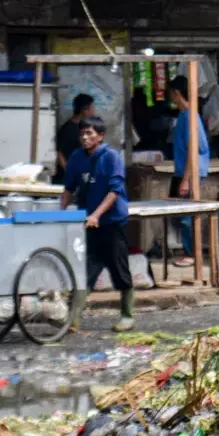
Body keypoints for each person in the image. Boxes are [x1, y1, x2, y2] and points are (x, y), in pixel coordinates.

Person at [60, 115, 134, 332]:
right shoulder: (76, 158)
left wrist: (97, 215)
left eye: (89, 133)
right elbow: (68, 189)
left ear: (100, 136)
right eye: (82, 133)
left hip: (112, 222)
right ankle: (73, 319)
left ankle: (127, 315)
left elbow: (114, 191)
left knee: (119, 268)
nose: (84, 137)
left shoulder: (111, 157)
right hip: (89, 224)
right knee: (86, 270)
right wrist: (59, 214)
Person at [167, 75, 209, 267]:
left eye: (171, 94)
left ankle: (192, 254)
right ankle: (189, 251)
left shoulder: (190, 116)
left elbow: (194, 149)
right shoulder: (185, 116)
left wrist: (186, 180)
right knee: (180, 214)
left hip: (190, 174)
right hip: (184, 172)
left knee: (186, 217)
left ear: (177, 93)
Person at [54, 94, 95, 184]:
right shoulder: (68, 129)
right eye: (92, 108)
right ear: (84, 109)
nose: (93, 111)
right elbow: (58, 153)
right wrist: (70, 172)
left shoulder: (84, 127)